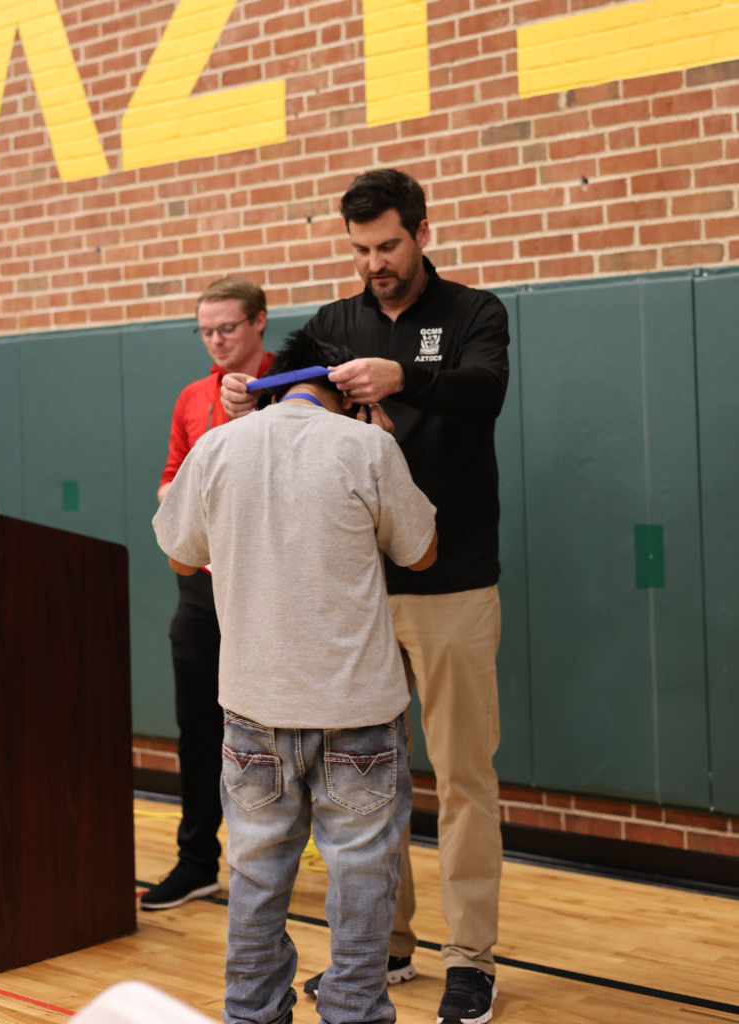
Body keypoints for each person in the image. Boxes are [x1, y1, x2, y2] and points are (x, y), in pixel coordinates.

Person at [221, 169, 510, 1024]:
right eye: (359, 250)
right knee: (373, 787)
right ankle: (388, 944)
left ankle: (471, 960)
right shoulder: (335, 322)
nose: (374, 263)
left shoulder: (474, 313)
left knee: (463, 777)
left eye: (387, 246)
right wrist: (245, 388)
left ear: (420, 232)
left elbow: (485, 391)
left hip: (453, 581)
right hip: (358, 596)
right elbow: (283, 383)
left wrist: (402, 377)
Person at [152, 330, 438, 1024]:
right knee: (363, 879)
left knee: (255, 876)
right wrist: (381, 441)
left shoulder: (219, 444)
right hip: (358, 711)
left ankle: (251, 1013)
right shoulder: (367, 445)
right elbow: (422, 552)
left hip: (255, 705)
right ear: (346, 387)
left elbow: (181, 557)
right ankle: (354, 1012)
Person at [141, 277, 275, 911]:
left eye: (227, 328)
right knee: (198, 725)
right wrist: (185, 497)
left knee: (277, 726)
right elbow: (169, 479)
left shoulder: (292, 388)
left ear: (259, 322)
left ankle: (278, 859)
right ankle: (197, 861)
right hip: (202, 584)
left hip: (270, 585)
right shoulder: (192, 397)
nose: (216, 340)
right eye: (206, 331)